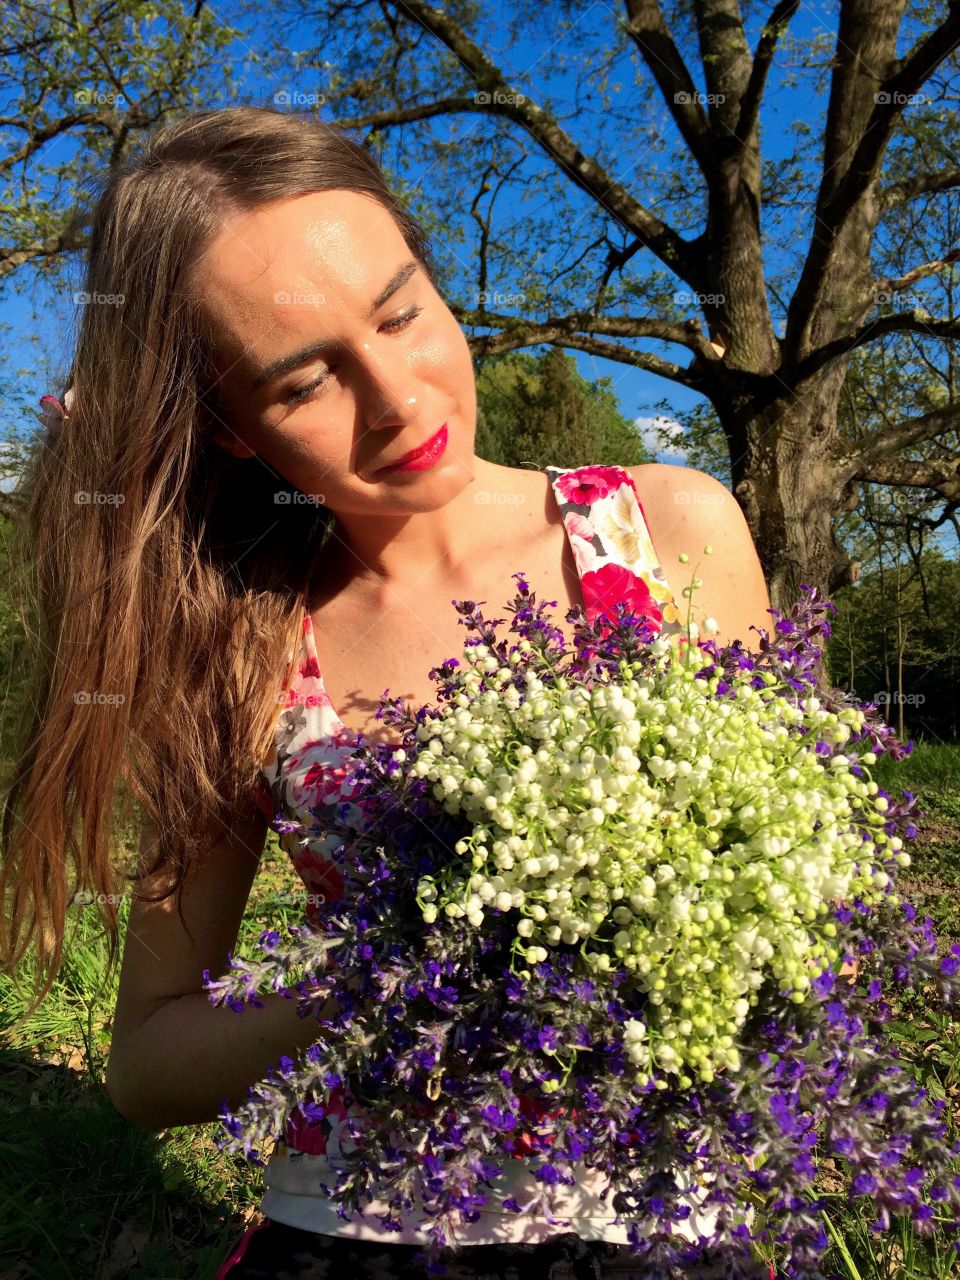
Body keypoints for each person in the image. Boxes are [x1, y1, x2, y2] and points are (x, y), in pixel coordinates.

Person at [0, 106, 775, 1279]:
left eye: (403, 310)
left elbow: (803, 937)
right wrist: (377, 965)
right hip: (364, 1232)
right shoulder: (246, 644)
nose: (402, 400)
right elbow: (147, 1064)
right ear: (230, 426)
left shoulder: (667, 530)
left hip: (654, 1219)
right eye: (305, 379)